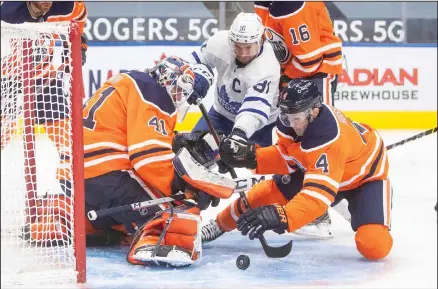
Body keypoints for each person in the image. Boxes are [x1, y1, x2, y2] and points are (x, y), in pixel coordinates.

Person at [23, 56, 224, 268]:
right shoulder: (153, 92)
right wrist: (188, 186)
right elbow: (149, 160)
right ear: (167, 78)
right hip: (105, 173)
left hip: (73, 177)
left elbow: (130, 140)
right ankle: (155, 241)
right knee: (180, 207)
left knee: (120, 210)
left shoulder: (128, 81)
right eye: (178, 88)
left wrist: (174, 144)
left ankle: (63, 218)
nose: (178, 96)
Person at [202, 78, 393, 261]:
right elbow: (287, 157)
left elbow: (316, 197)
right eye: (287, 116)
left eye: (296, 118)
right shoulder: (291, 121)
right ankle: (218, 225)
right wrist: (250, 157)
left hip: (363, 178)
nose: (291, 123)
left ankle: (368, 202)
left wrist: (283, 216)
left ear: (314, 112)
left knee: (374, 245)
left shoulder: (328, 139)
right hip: (323, 169)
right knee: (261, 195)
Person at [254, 1, 344, 236]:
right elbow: (272, 40)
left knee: (313, 142)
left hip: (314, 75)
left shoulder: (290, 3)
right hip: (294, 74)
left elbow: (310, 60)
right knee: (288, 142)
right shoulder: (268, 3)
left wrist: (286, 79)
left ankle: (318, 212)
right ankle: (301, 200)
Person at [1, 1, 88, 195]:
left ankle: (73, 192)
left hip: (44, 77)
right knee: (3, 135)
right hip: (6, 79)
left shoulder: (69, 6)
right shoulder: (7, 10)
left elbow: (78, 24)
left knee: (68, 140)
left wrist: (78, 45)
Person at [188, 12, 281, 148]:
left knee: (272, 166)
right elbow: (197, 61)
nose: (243, 53)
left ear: (260, 40)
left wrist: (238, 136)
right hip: (220, 116)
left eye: (248, 47)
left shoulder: (268, 65)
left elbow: (254, 109)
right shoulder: (220, 42)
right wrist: (195, 77)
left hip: (262, 127)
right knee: (191, 153)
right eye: (238, 46)